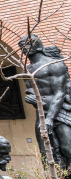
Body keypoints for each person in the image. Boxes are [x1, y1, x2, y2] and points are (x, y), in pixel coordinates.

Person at [19, 34, 71, 168]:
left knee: (67, 148)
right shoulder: (28, 70)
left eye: (27, 45)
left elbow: (60, 93)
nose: (24, 49)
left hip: (61, 112)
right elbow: (32, 91)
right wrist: (32, 100)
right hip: (42, 113)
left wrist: (50, 118)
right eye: (21, 47)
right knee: (47, 153)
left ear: (37, 46)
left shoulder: (54, 64)